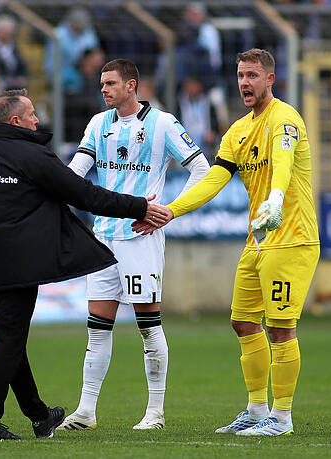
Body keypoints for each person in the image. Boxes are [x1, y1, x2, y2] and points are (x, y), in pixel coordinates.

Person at [0, 89, 171, 440]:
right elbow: (85, 194)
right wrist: (139, 207)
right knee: (10, 340)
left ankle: (39, 415)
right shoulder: (31, 154)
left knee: (9, 336)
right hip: (17, 264)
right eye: (32, 114)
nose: (38, 120)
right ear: (15, 121)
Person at [133, 49, 320, 437]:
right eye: (240, 75)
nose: (245, 83)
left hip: (291, 237)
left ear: (271, 79)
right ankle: (256, 409)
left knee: (280, 327)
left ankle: (282, 418)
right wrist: (171, 210)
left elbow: (283, 163)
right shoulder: (238, 131)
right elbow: (215, 179)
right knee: (243, 321)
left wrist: (276, 198)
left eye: (252, 75)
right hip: (259, 239)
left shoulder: (284, 119)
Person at [58, 58, 210, 431]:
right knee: (97, 328)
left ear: (131, 85)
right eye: (101, 84)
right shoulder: (98, 124)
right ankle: (86, 411)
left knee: (147, 324)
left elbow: (202, 170)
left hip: (140, 238)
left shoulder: (163, 123)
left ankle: (155, 413)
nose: (104, 90)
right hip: (102, 238)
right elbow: (75, 174)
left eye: (110, 83)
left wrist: (170, 211)